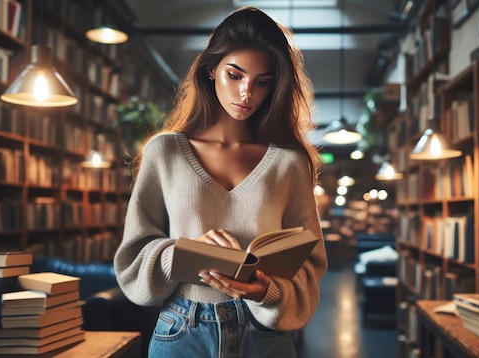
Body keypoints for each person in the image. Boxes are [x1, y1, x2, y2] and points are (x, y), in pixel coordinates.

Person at [113, 6, 328, 358]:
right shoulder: (164, 152)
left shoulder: (289, 163)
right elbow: (133, 258)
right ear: (212, 70)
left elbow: (312, 263)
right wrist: (185, 252)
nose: (247, 93)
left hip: (264, 334)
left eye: (262, 81)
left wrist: (266, 291)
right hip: (184, 329)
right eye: (235, 75)